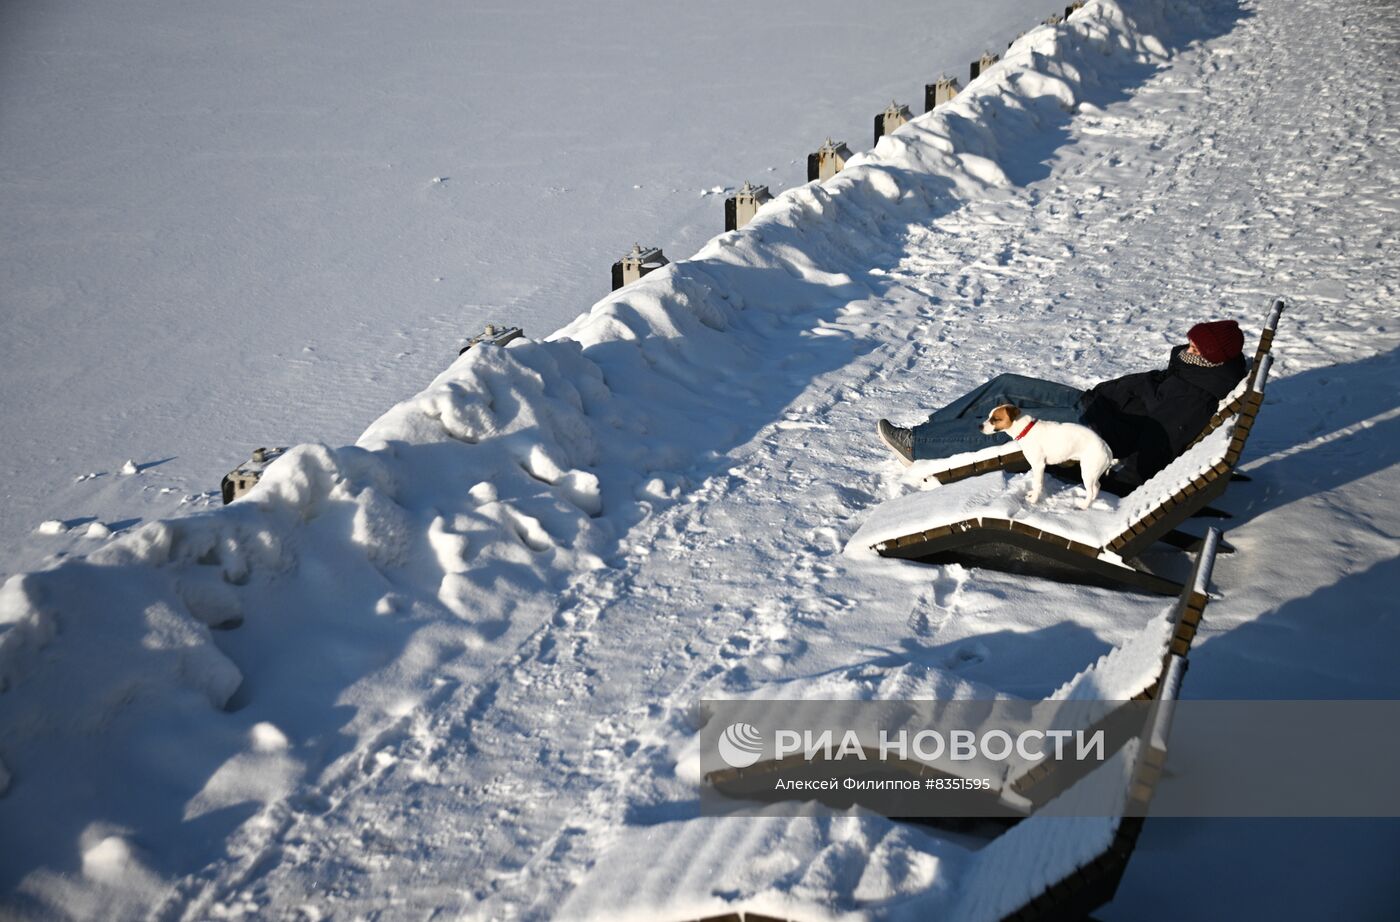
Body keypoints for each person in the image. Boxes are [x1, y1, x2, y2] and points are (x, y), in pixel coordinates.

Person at [877, 320, 1248, 487]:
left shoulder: (1195, 394)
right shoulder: (1194, 370)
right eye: (1191, 341)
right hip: (1095, 404)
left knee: (1016, 429)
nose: (1188, 347)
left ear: (1213, 358)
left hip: (1096, 429)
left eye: (1196, 347)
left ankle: (919, 446)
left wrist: (1121, 482)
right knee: (1005, 384)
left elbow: (1162, 440)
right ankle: (929, 432)